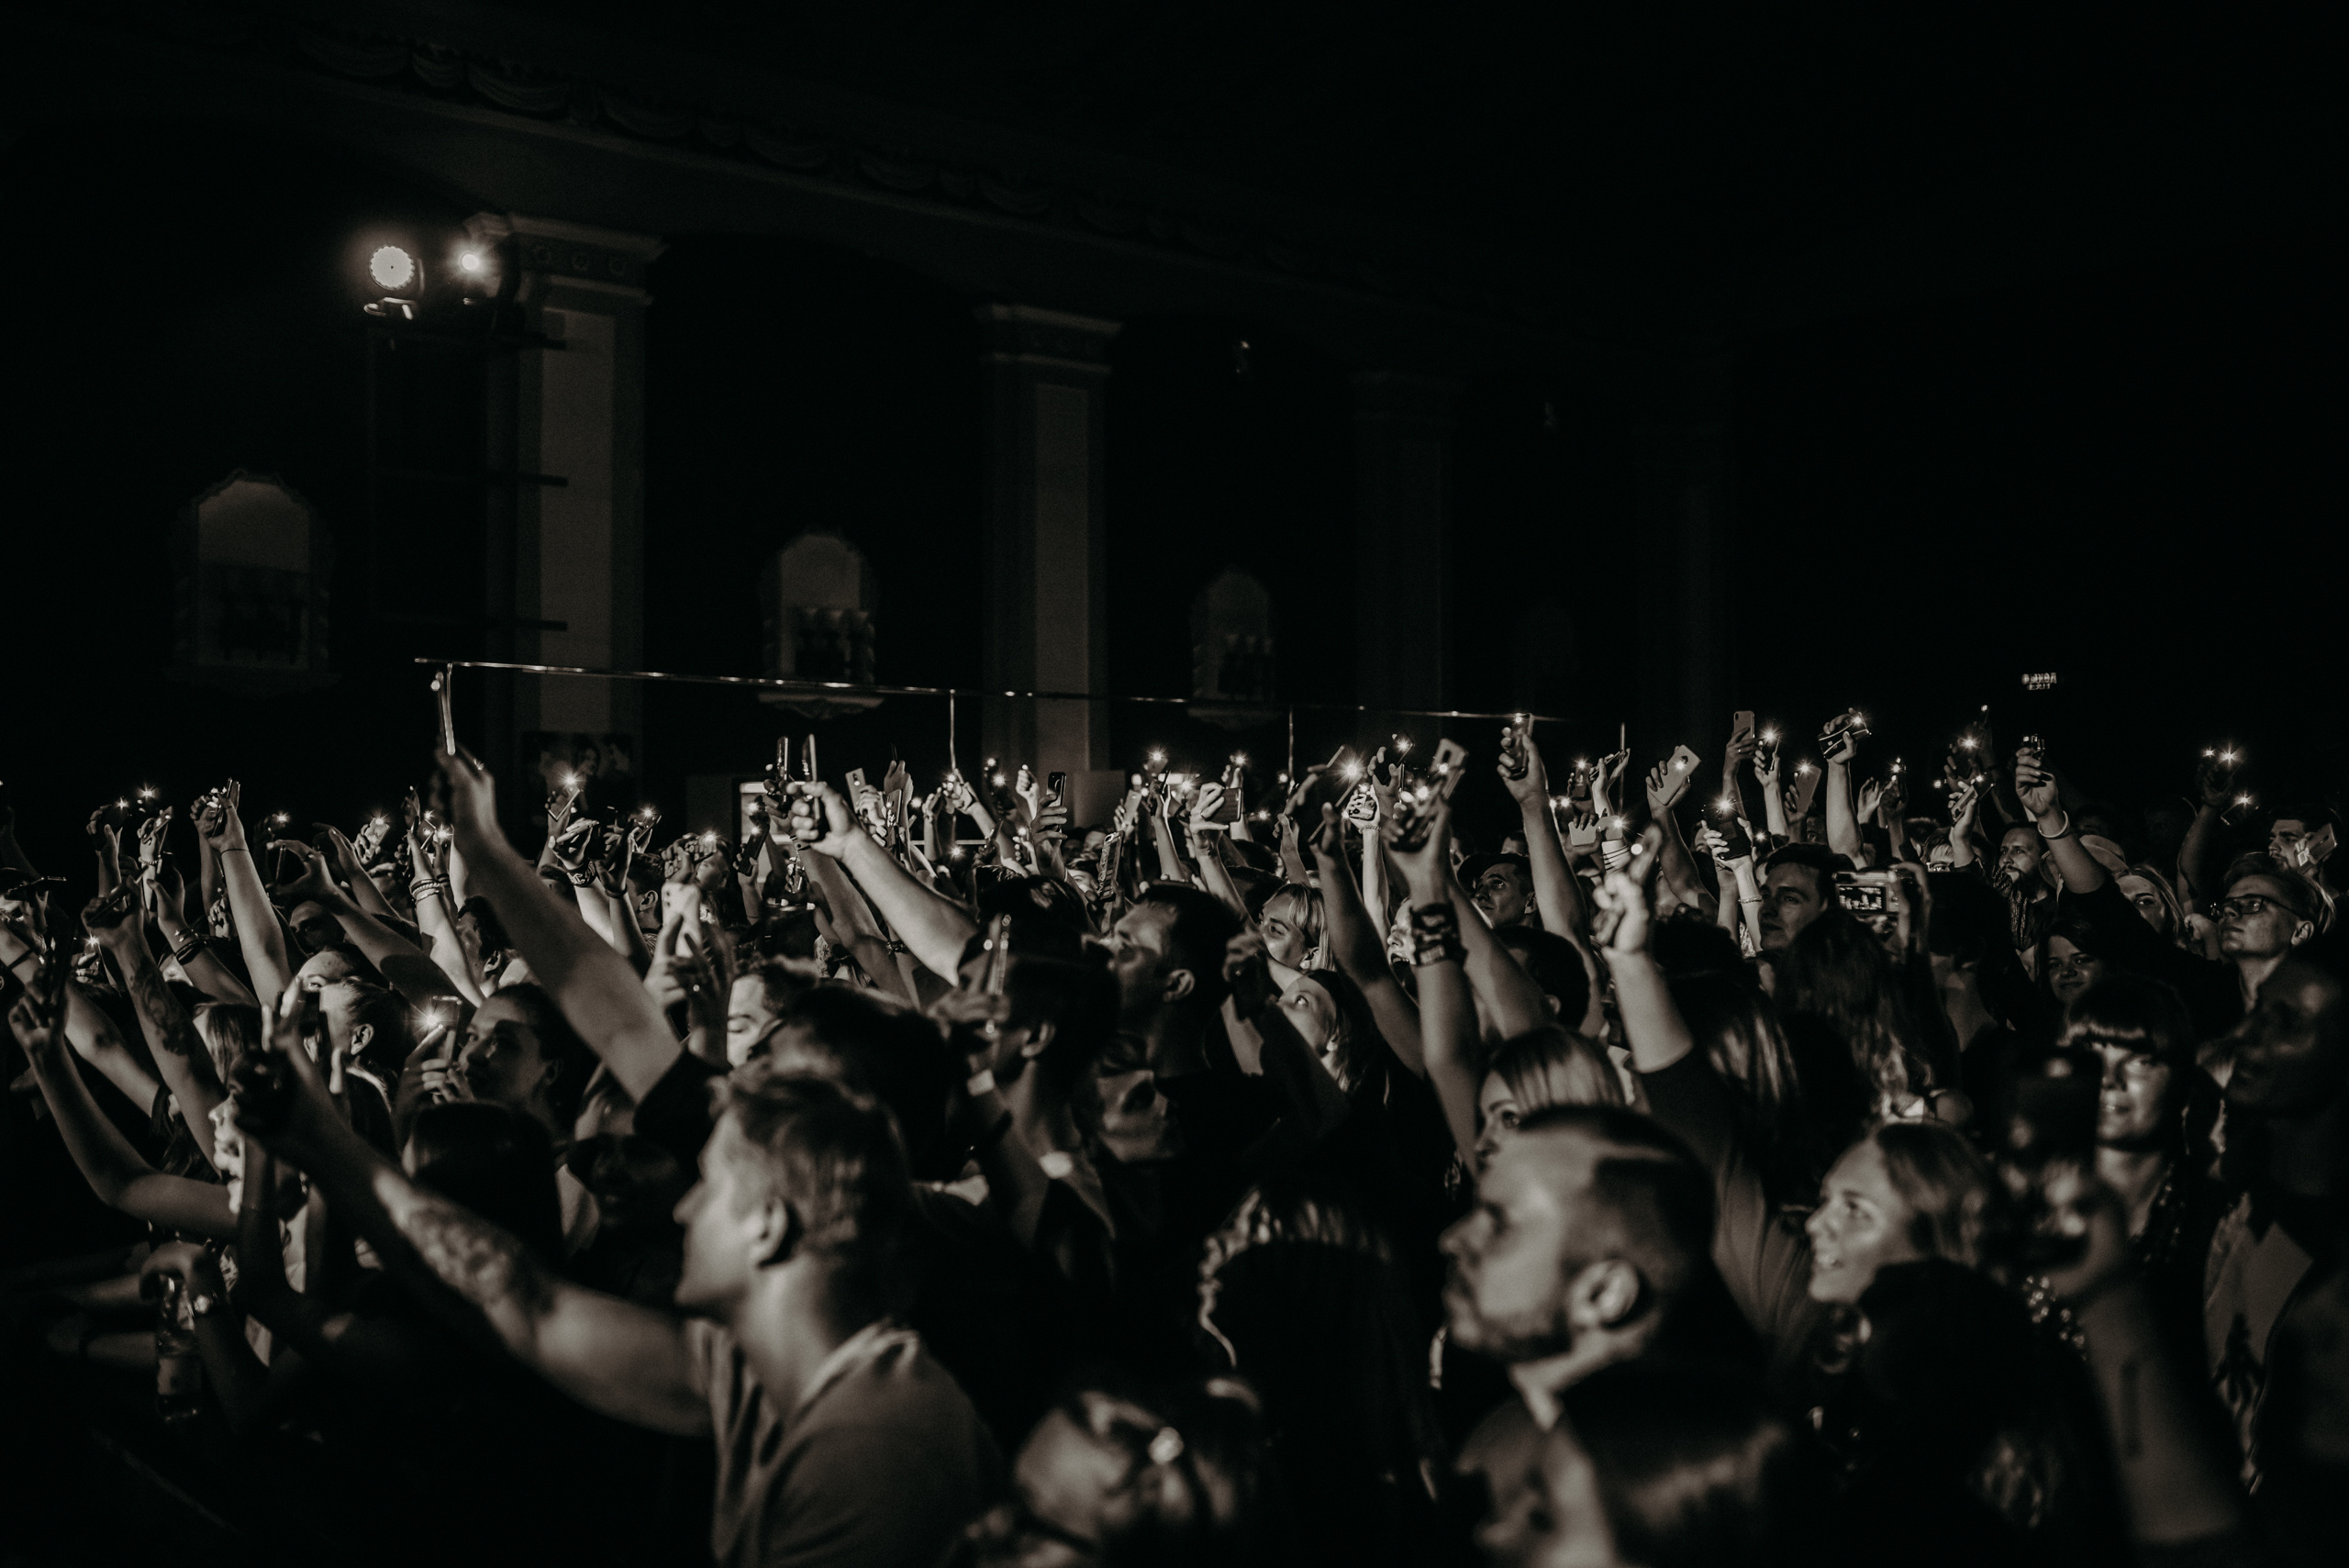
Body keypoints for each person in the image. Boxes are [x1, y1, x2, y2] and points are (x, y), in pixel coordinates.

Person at [229, 1009, 1000, 1568]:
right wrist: (321, 1140)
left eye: (712, 1182)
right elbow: (523, 1298)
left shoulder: (877, 1454)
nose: (689, 1203)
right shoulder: (745, 1367)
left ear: (768, 1226)